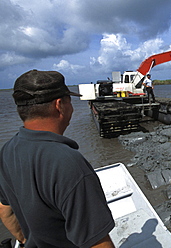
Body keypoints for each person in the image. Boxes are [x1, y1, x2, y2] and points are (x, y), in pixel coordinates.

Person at [0, 70, 115, 248]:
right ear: (59, 105)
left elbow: (5, 210)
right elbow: (99, 244)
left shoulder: (7, 150)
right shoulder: (68, 163)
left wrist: (25, 241)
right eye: (70, 101)